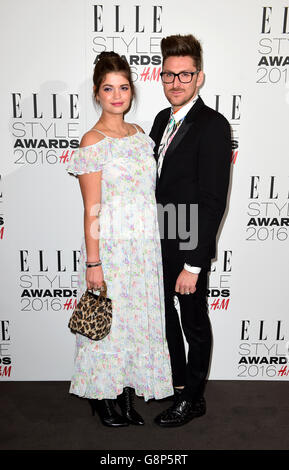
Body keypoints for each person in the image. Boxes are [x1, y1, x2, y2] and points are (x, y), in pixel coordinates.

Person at [66, 51, 173, 427]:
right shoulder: (92, 141)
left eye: (123, 87)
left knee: (135, 322)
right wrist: (94, 263)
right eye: (108, 88)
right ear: (97, 93)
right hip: (111, 249)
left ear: (131, 91)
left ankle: (126, 395)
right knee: (108, 323)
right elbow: (91, 208)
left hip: (144, 249)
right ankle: (102, 398)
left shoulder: (141, 137)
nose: (117, 95)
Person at [150, 34, 231, 427]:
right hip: (158, 239)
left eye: (185, 75)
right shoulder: (161, 120)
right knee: (164, 317)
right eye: (169, 75)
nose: (176, 82)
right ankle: (177, 384)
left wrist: (194, 265)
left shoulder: (213, 125)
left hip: (188, 242)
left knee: (193, 322)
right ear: (161, 76)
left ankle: (194, 400)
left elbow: (214, 200)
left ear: (199, 77)